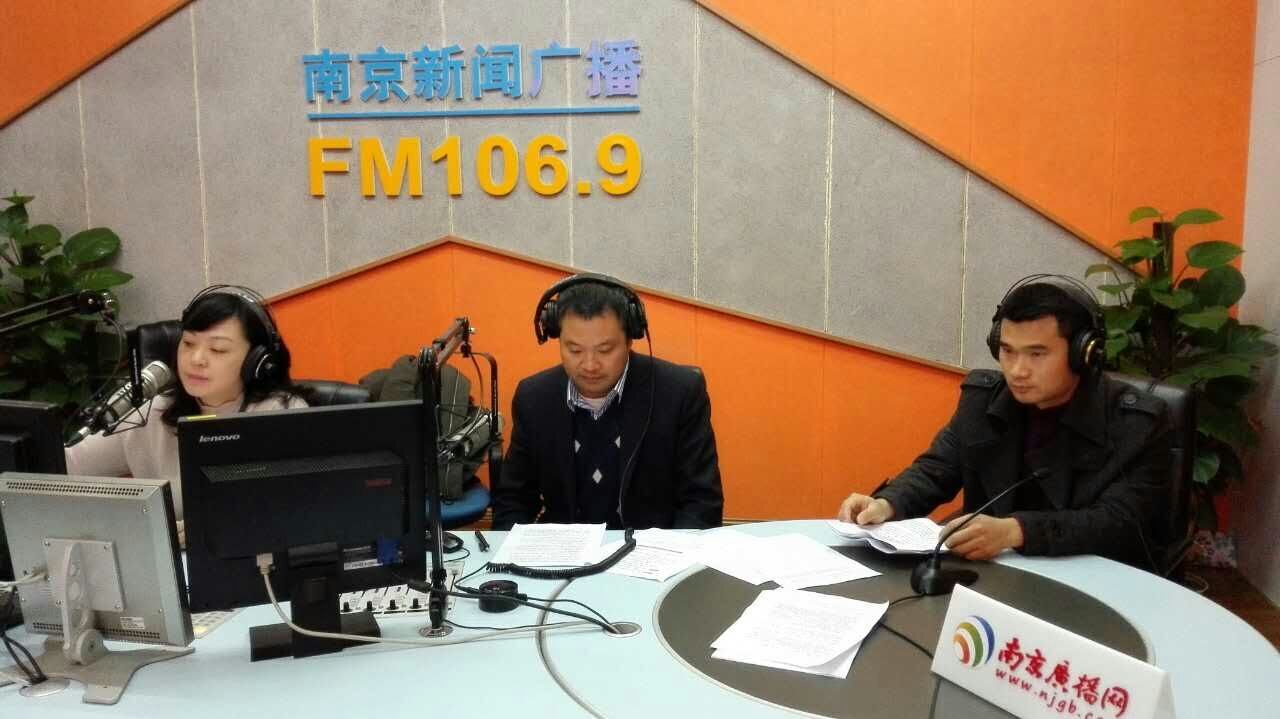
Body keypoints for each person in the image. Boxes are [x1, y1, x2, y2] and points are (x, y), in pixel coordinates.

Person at [836, 275, 1172, 568]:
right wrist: (888, 503)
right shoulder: (983, 402)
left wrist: (1016, 531)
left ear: (1082, 354)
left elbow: (1120, 524)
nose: (1017, 370)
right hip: (994, 577)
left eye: (1036, 354)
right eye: (1008, 351)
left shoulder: (1136, 424)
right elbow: (936, 469)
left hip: (1096, 583)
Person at [491, 273, 723, 530]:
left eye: (605, 350)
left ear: (630, 339)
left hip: (651, 549)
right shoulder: (534, 398)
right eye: (574, 350)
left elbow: (701, 504)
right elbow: (513, 502)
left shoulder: (680, 393)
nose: (590, 365)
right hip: (565, 551)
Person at [66, 285, 307, 526]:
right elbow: (68, 466)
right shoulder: (151, 411)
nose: (196, 359)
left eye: (217, 349)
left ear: (257, 360)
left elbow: (292, 513)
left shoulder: (281, 416)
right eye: (189, 343)